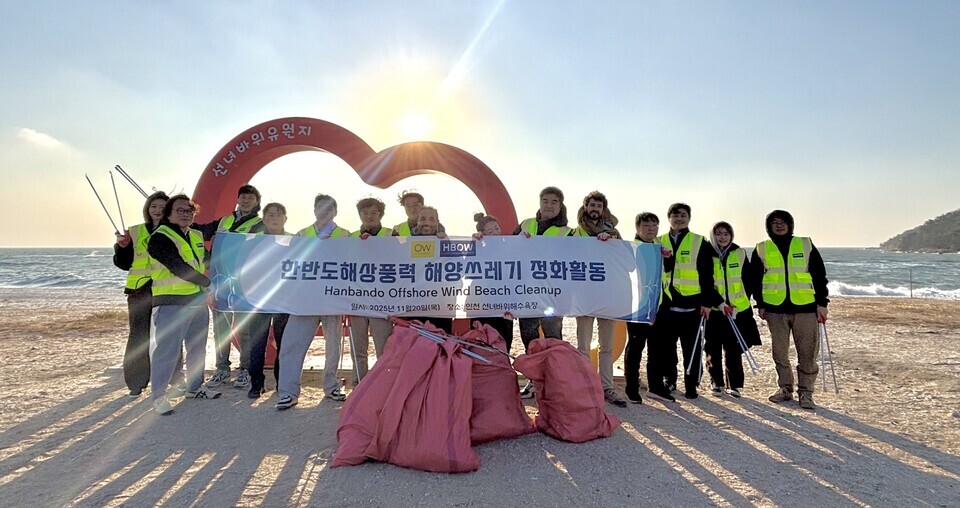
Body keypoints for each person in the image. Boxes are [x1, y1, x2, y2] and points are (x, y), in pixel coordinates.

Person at [147, 194, 221, 415]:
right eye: (179, 210)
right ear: (169, 213)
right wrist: (207, 283)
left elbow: (208, 260)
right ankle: (158, 397)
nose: (185, 214)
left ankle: (195, 387)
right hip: (170, 301)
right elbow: (177, 266)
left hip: (197, 301)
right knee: (167, 352)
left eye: (189, 210)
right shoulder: (159, 237)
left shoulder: (196, 235)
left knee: (197, 348)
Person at [276, 194, 350, 409]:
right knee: (291, 345)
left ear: (335, 211)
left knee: (333, 347)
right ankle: (288, 392)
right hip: (304, 301)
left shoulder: (346, 235)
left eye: (329, 208)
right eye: (320, 207)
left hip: (332, 300)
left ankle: (331, 386)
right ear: (314, 210)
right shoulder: (301, 234)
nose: (324, 212)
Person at [750, 210, 829, 410]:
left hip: (805, 308)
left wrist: (822, 304)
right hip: (775, 310)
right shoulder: (761, 248)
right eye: (774, 222)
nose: (779, 225)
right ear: (769, 226)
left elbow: (819, 275)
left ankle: (806, 392)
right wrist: (760, 305)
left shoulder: (805, 244)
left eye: (783, 222)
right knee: (780, 353)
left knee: (808, 353)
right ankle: (785, 388)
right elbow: (755, 279)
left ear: (790, 224)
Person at [194, 184, 265, 390]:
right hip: (220, 283)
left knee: (244, 330)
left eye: (250, 198)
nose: (245, 201)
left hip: (245, 284)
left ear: (256, 202)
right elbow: (198, 234)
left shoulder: (260, 224)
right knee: (221, 329)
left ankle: (244, 370)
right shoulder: (224, 221)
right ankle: (222, 369)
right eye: (242, 197)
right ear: (237, 199)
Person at [651, 203, 723, 400]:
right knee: (667, 348)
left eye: (683, 215)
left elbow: (708, 276)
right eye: (675, 216)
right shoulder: (658, 241)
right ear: (669, 218)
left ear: (689, 218)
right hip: (666, 306)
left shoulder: (699, 242)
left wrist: (707, 303)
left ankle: (692, 384)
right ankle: (670, 380)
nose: (679, 219)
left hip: (692, 307)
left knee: (692, 348)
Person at [511, 186, 573, 398]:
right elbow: (504, 250)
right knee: (529, 338)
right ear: (540, 202)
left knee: (553, 340)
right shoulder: (525, 225)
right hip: (526, 293)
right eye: (545, 201)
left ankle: (555, 383)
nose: (549, 205)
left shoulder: (568, 232)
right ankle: (533, 381)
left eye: (554, 202)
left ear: (560, 205)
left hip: (552, 296)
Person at [573, 191, 627, 407]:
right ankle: (587, 387)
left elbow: (627, 263)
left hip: (607, 297)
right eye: (591, 204)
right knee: (583, 345)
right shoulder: (574, 233)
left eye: (599, 205)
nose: (595, 208)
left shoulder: (615, 233)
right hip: (584, 297)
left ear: (604, 209)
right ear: (585, 207)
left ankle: (606, 387)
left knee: (607, 346)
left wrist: (613, 243)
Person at [113, 191, 169, 397]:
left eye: (163, 208)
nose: (157, 211)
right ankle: (136, 383)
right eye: (154, 207)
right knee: (138, 336)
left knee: (169, 334)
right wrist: (121, 247)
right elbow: (123, 263)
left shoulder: (176, 231)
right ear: (147, 209)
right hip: (139, 290)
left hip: (167, 289)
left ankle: (171, 378)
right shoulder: (135, 231)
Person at [704, 221, 762, 398]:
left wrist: (740, 302)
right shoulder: (706, 252)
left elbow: (748, 279)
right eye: (718, 234)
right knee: (712, 347)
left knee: (734, 348)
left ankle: (734, 385)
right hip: (715, 309)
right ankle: (716, 382)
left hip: (736, 310)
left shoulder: (739, 252)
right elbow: (705, 282)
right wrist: (719, 303)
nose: (722, 237)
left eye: (726, 234)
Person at [245, 202, 292, 398]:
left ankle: (282, 382)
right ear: (264, 219)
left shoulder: (295, 241)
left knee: (284, 342)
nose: (274, 218)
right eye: (270, 215)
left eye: (279, 215)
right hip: (257, 299)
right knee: (257, 343)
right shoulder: (252, 242)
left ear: (285, 219)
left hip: (285, 300)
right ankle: (256, 383)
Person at [349, 197, 395, 386]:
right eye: (365, 213)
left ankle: (383, 384)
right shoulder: (350, 238)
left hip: (382, 301)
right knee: (357, 348)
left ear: (380, 215)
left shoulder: (392, 235)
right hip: (357, 300)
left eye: (373, 213)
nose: (369, 216)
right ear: (359, 215)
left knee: (383, 347)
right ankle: (358, 383)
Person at [623, 212, 662, 405]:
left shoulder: (659, 248)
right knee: (636, 346)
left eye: (654, 226)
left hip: (657, 305)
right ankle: (631, 388)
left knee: (656, 348)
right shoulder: (630, 248)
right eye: (646, 226)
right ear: (638, 228)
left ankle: (655, 386)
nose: (650, 229)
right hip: (637, 306)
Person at [470, 213, 515, 351]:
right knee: (480, 343)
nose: (495, 233)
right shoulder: (477, 248)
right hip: (481, 304)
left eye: (497, 228)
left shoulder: (511, 248)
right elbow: (465, 269)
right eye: (490, 231)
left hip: (504, 305)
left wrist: (525, 240)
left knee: (503, 343)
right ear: (482, 233)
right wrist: (474, 245)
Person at [407, 206, 453, 333]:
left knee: (440, 348)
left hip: (440, 307)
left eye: (431, 219)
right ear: (418, 222)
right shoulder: (405, 243)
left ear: (437, 223)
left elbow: (461, 268)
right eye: (423, 219)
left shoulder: (446, 242)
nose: (426, 222)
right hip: (412, 306)